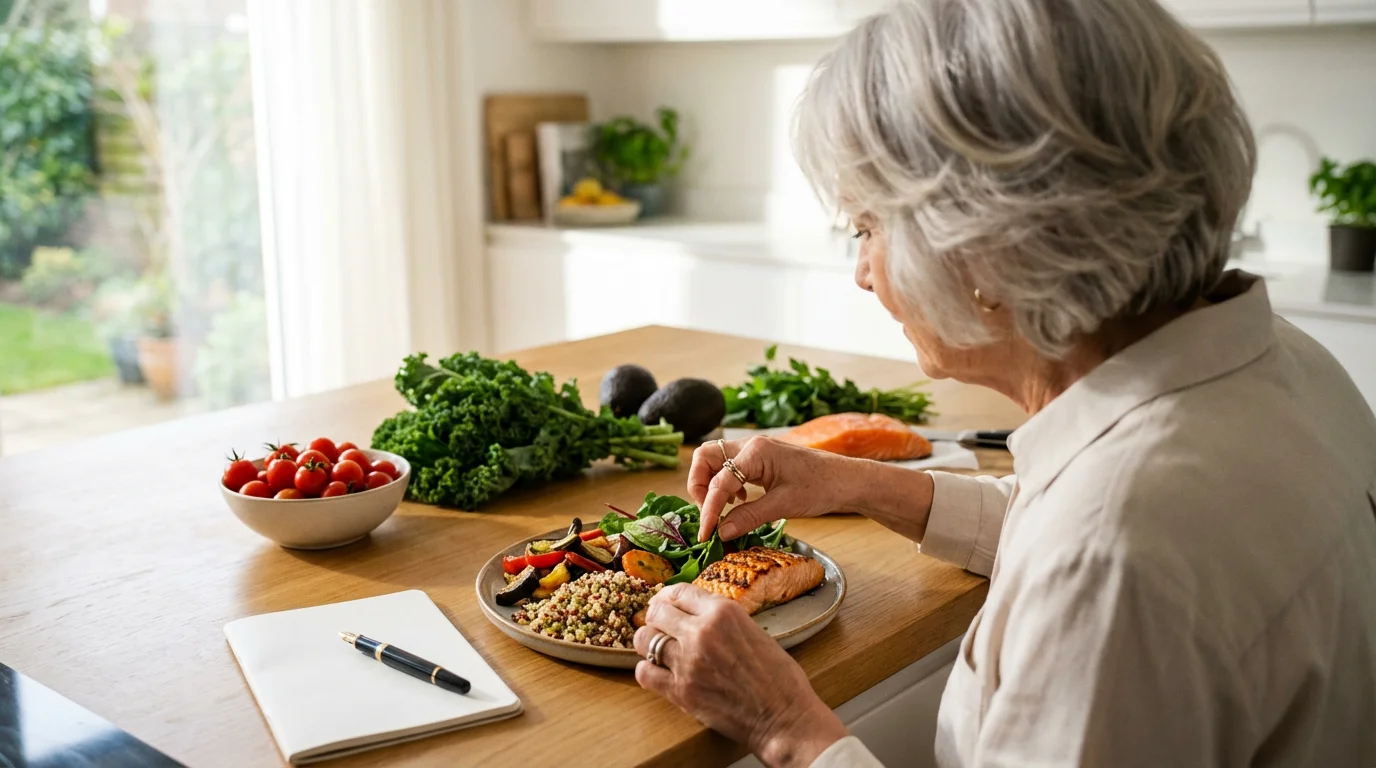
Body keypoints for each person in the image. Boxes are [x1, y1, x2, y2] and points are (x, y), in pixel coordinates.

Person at [628, 1, 1376, 766]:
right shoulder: (1287, 360)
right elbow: (1069, 509)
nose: (860, 273)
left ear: (984, 249)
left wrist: (785, 727)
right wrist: (855, 483)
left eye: (867, 229)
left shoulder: (1113, 562)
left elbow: (1095, 543)